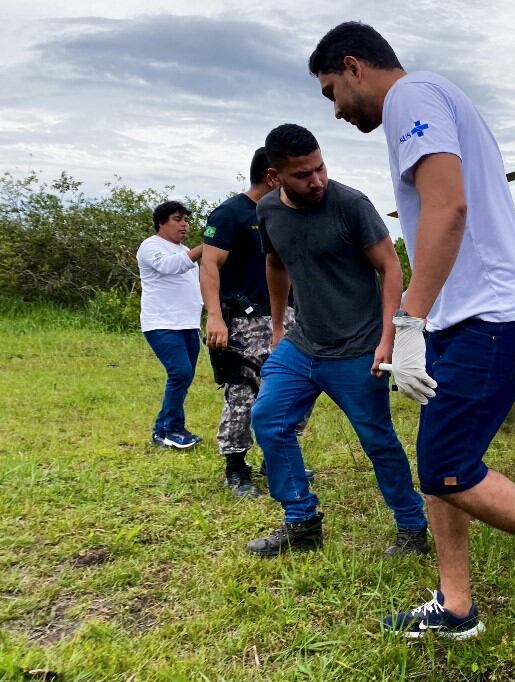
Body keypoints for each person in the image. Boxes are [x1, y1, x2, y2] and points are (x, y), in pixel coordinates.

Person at [310, 22, 515, 637]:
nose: (335, 110)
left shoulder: (411, 97)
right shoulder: (427, 99)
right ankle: (454, 604)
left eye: (331, 91)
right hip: (464, 314)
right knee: (438, 458)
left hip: (493, 315)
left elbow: (448, 207)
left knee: (447, 467)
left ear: (353, 65)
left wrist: (408, 320)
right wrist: (428, 320)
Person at [245, 124, 428, 558]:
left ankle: (412, 527)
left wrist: (388, 338)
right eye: (303, 174)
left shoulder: (350, 205)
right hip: (302, 343)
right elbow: (276, 265)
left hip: (359, 348)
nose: (317, 181)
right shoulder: (269, 210)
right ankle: (301, 521)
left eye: (320, 168)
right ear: (275, 177)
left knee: (377, 439)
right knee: (268, 420)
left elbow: (391, 268)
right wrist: (277, 326)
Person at [200, 147, 286, 497]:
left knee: (283, 391)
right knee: (241, 392)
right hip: (242, 320)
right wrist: (215, 318)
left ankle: (275, 459)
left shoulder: (282, 213)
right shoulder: (231, 213)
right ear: (272, 175)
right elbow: (209, 266)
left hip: (283, 317)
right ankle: (236, 467)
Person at [137, 201, 204, 449]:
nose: (184, 224)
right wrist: (205, 246)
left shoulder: (184, 249)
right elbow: (169, 267)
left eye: (186, 220)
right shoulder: (151, 246)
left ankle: (166, 428)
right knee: (180, 373)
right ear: (161, 222)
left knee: (184, 377)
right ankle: (169, 429)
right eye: (178, 219)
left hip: (188, 324)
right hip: (161, 323)